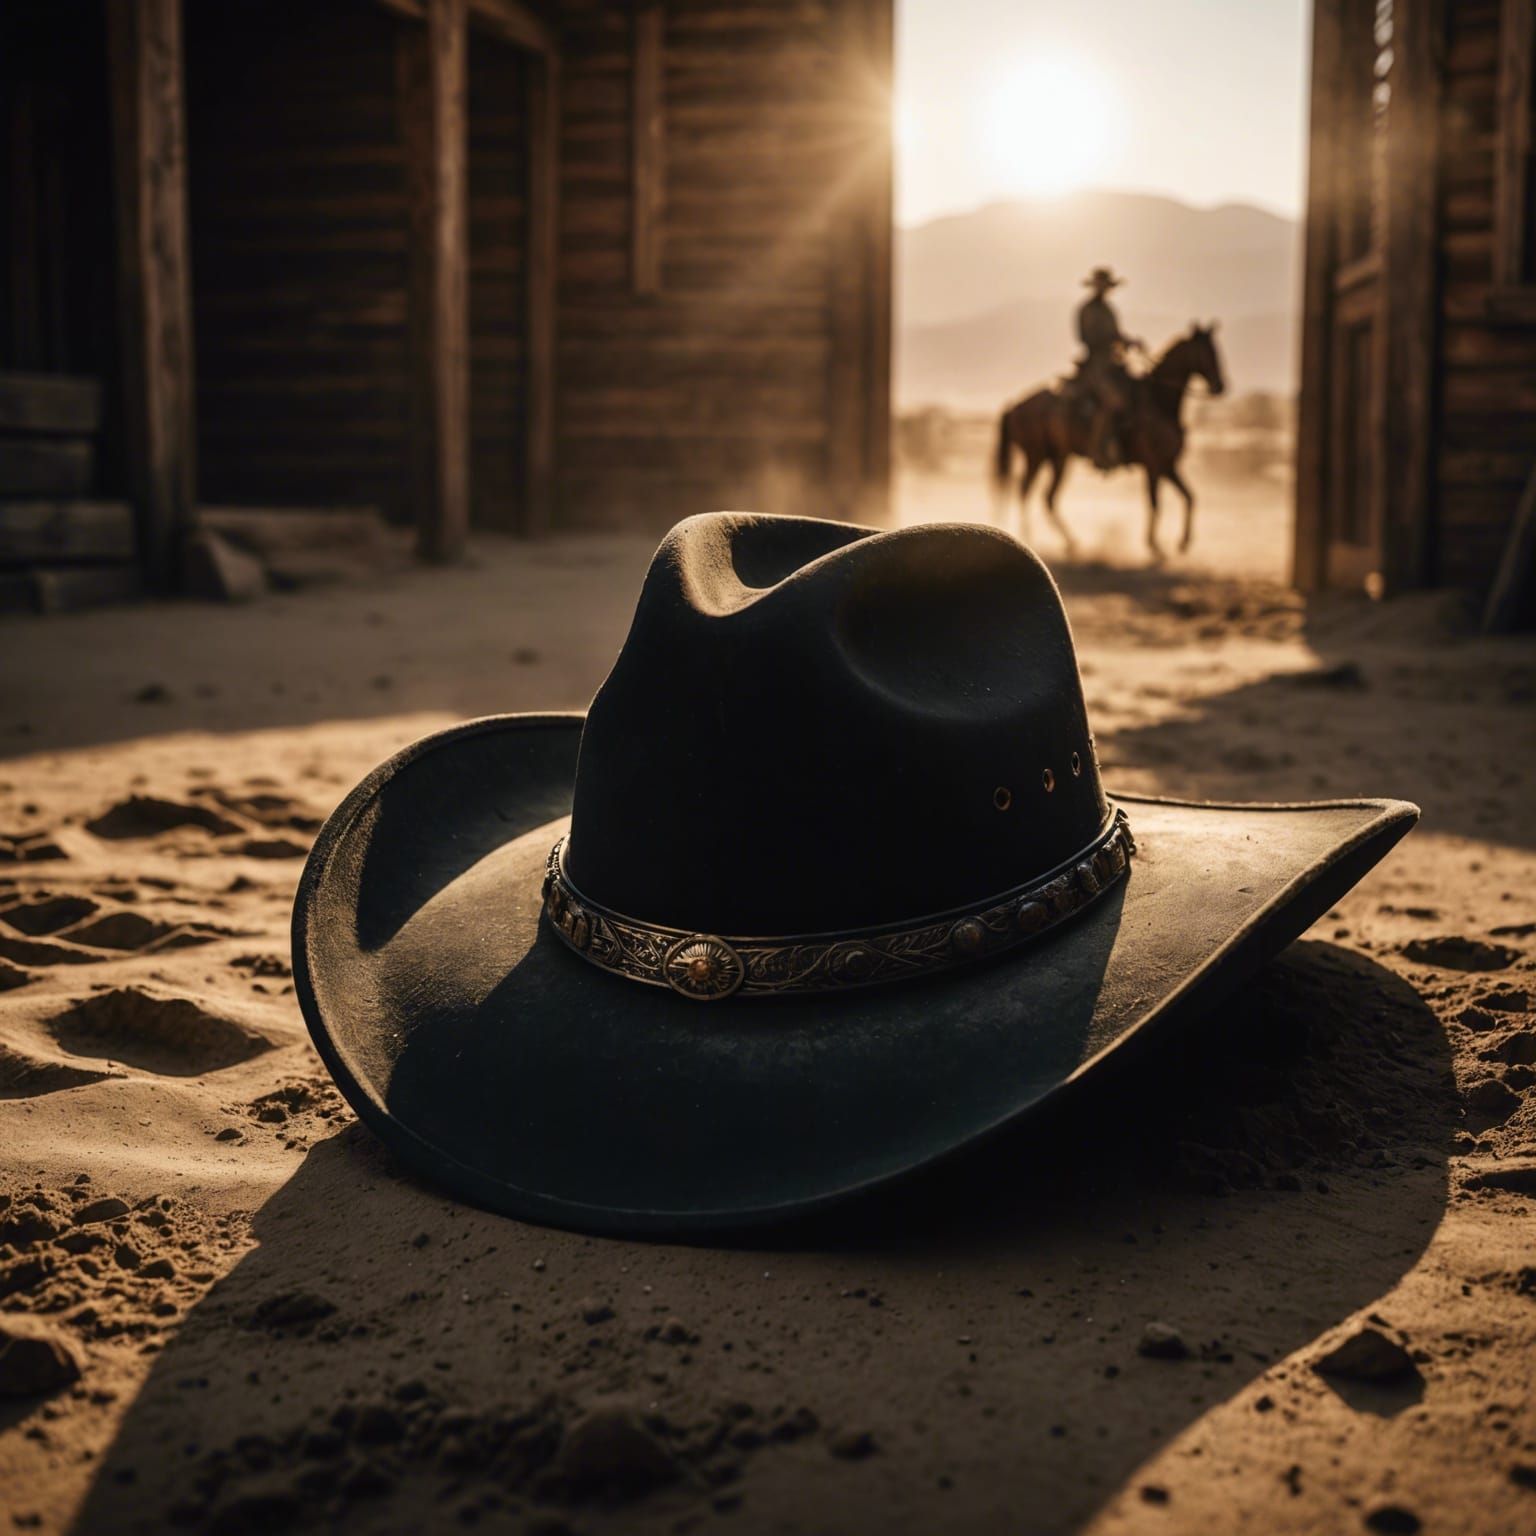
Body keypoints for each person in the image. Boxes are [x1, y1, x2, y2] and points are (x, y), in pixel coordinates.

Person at [1074, 267, 1141, 470]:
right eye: (1101, 286)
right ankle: (1097, 449)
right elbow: (1086, 337)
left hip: (1112, 362)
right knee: (1113, 401)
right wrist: (1112, 341)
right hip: (1095, 364)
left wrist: (1129, 341)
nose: (1104, 290)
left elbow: (1116, 333)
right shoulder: (1086, 310)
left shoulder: (1108, 310)